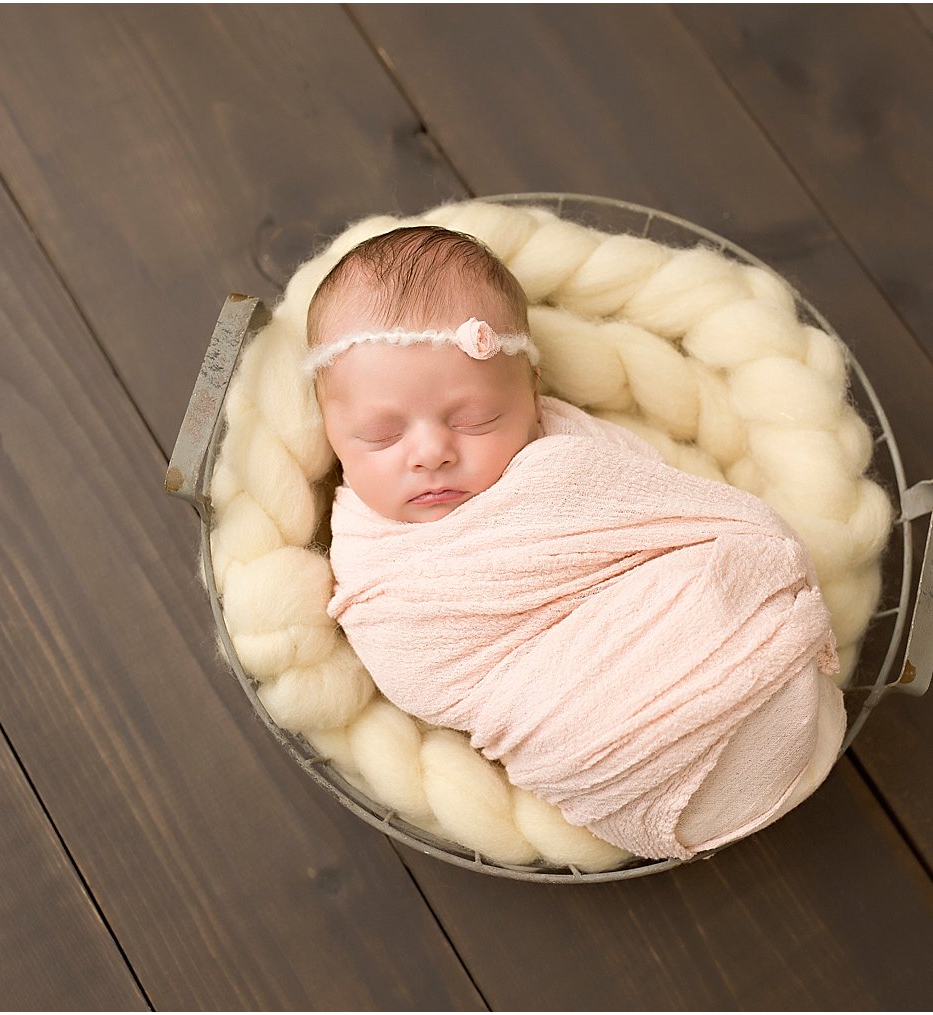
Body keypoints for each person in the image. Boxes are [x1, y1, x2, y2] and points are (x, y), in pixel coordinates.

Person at [304, 224, 845, 860]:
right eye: (379, 436)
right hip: (601, 744)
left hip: (759, 674)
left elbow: (673, 518)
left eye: (475, 421)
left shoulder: (571, 454)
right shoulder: (371, 552)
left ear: (532, 396)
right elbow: (413, 658)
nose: (430, 453)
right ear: (332, 433)